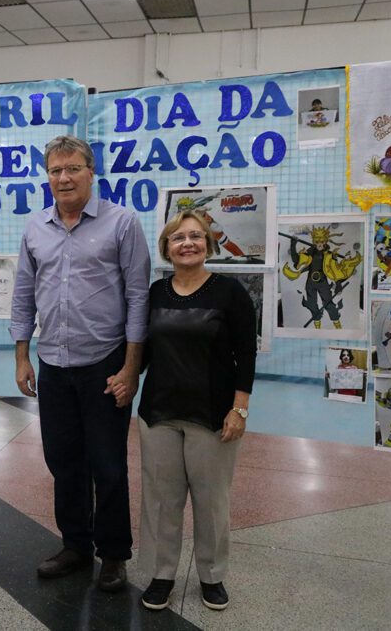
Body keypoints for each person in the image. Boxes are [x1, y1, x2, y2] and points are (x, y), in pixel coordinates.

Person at [10, 135, 150, 592]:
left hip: (105, 363)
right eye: (55, 170)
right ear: (47, 176)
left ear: (92, 172)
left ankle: (113, 554)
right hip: (52, 363)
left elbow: (137, 296)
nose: (63, 178)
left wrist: (131, 368)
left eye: (72, 168)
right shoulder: (35, 227)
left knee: (108, 465)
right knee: (63, 461)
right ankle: (75, 544)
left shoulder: (122, 223)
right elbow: (23, 295)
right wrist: (22, 356)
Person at [132, 210, 256, 612]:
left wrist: (240, 409)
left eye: (196, 236)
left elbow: (246, 354)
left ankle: (212, 576)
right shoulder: (154, 294)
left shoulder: (230, 292)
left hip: (213, 415)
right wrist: (123, 379)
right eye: (178, 238)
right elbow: (141, 350)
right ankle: (161, 573)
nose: (187, 243)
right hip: (159, 413)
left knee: (211, 501)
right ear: (167, 247)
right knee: (160, 500)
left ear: (209, 243)